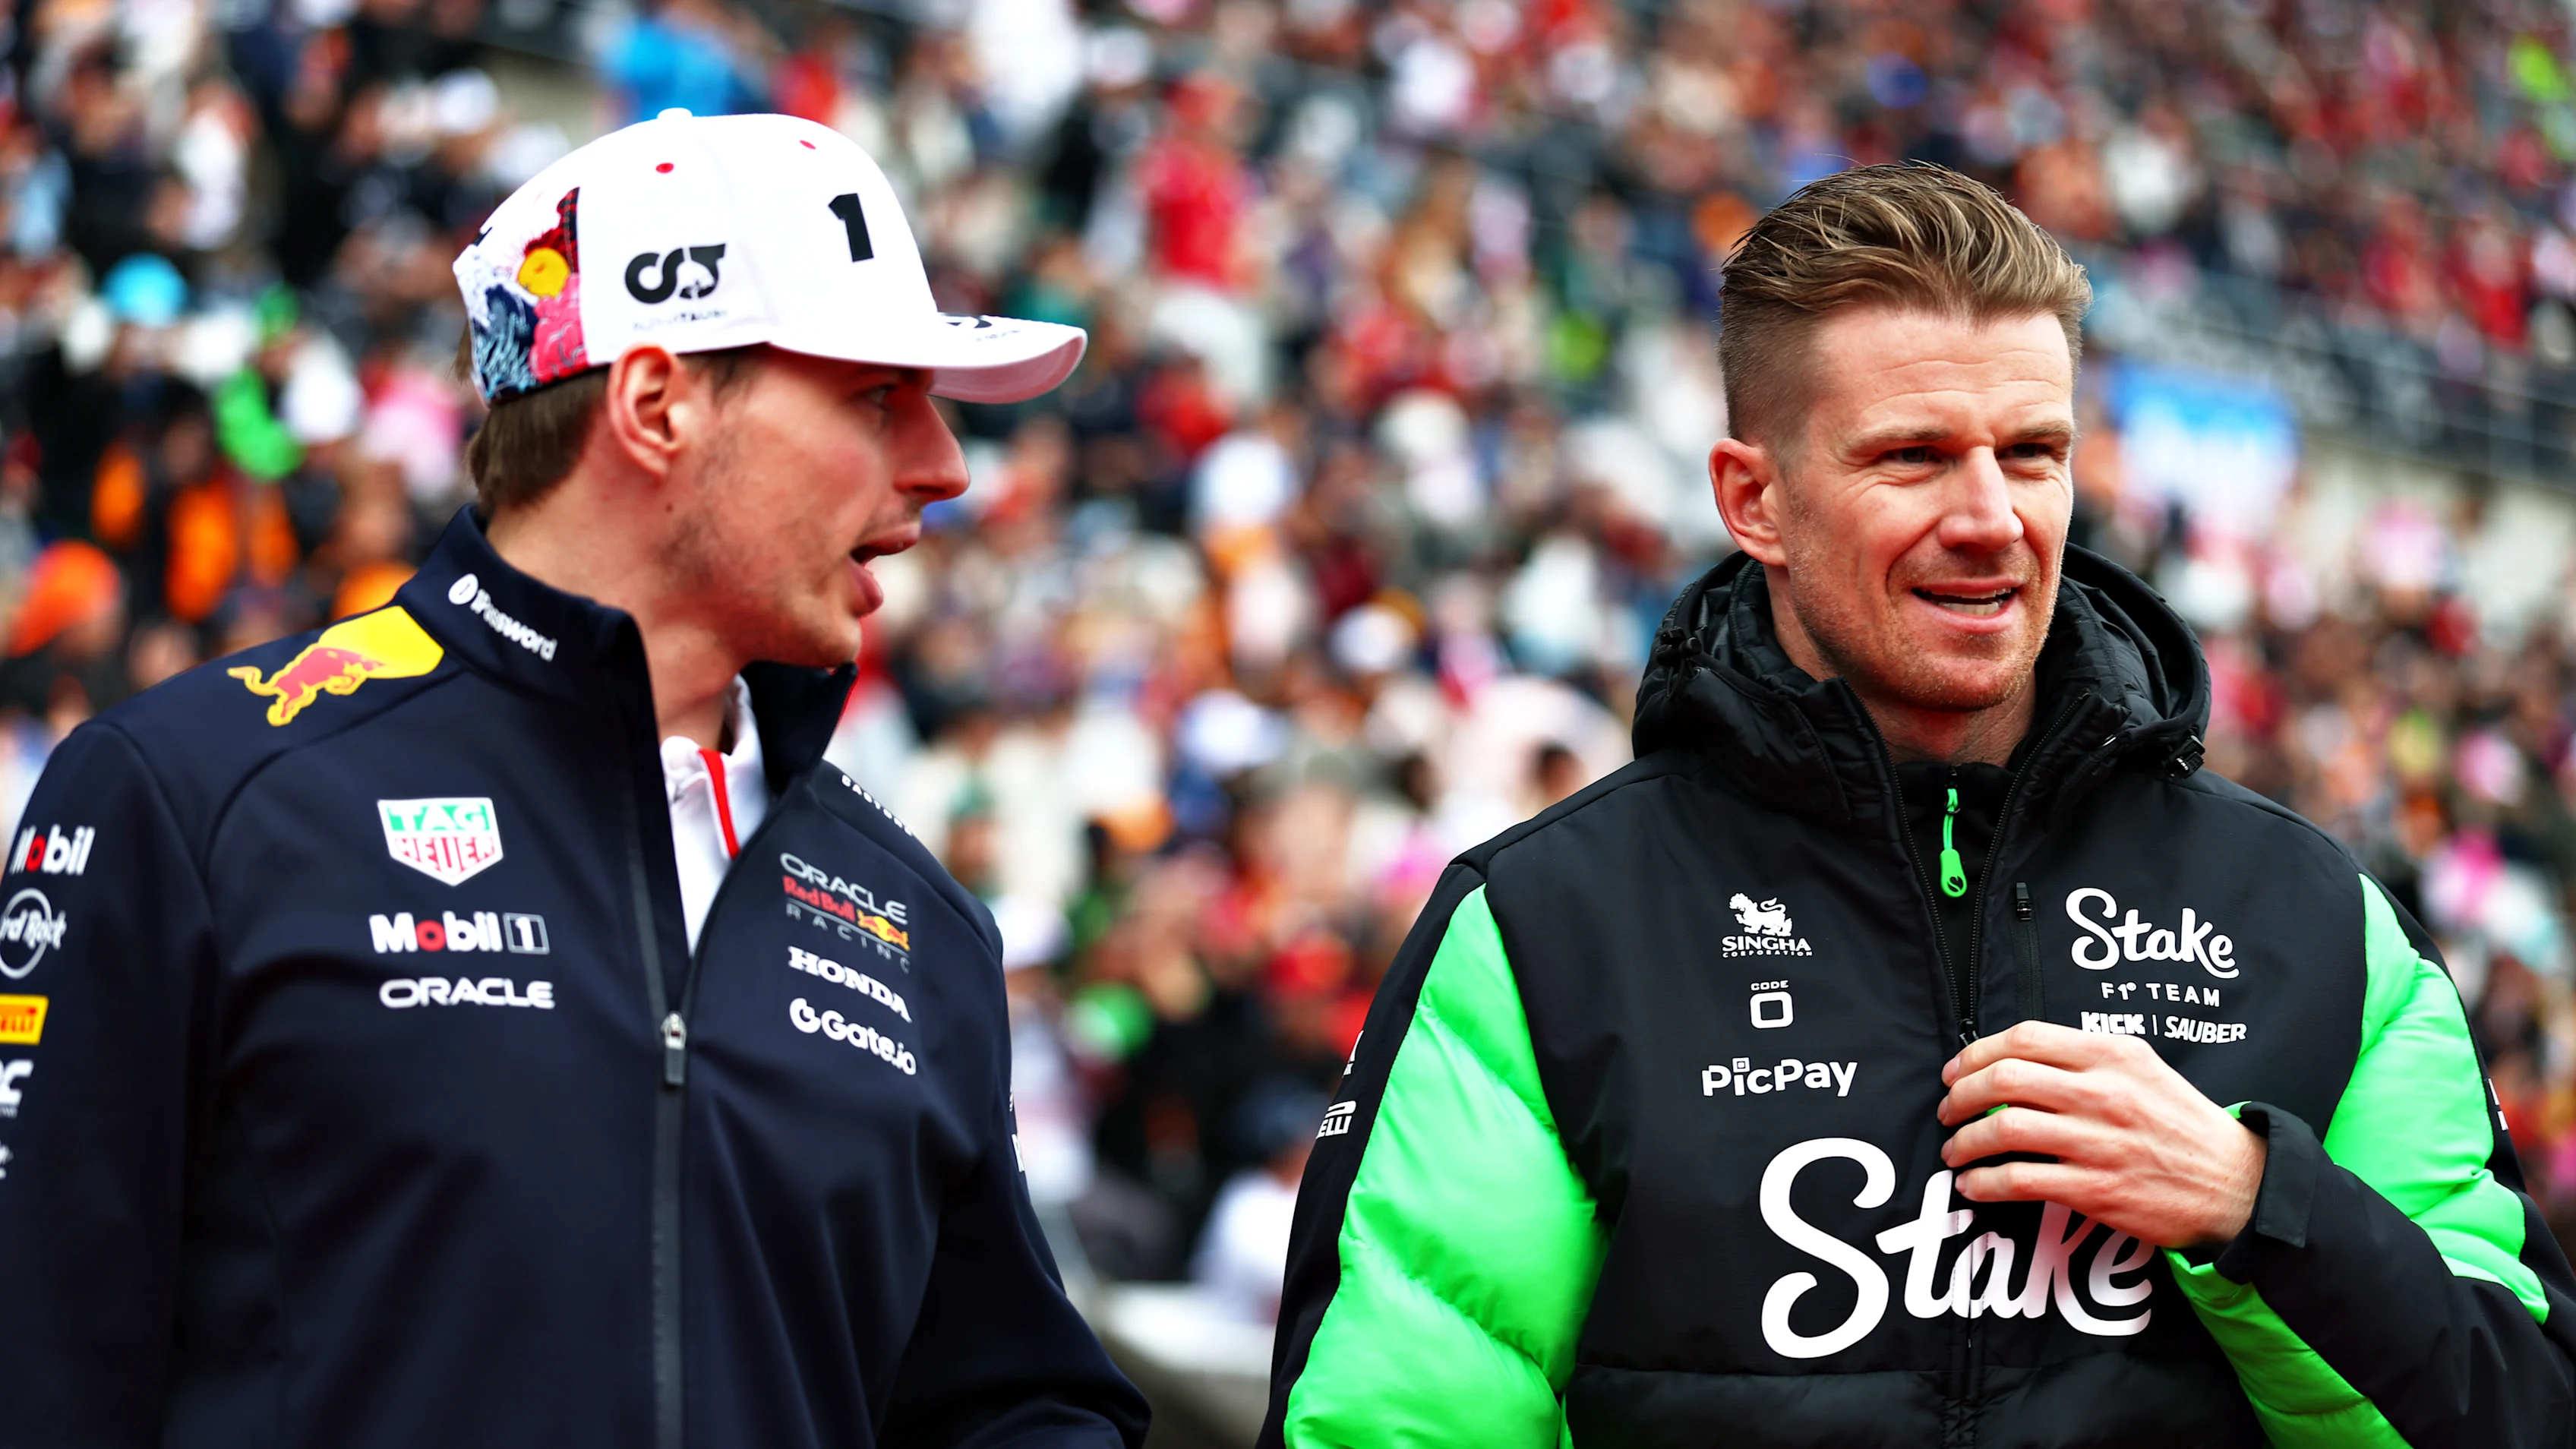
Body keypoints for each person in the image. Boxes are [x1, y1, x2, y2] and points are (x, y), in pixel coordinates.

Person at [1263, 163, 2576, 1447]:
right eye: (1915, 456)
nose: (1992, 518)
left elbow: (2526, 1408)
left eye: (2033, 452)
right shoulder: (1547, 927)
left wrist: (2259, 1205)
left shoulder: (2316, 923)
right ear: (1753, 499)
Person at [0, 110, 1148, 1448]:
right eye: (875, 397)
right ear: (656, 402)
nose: (943, 467)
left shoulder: (917, 923)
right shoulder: (197, 798)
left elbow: (1006, 1408)